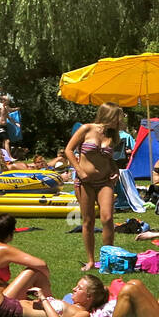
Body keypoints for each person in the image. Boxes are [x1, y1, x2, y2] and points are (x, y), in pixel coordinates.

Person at [64, 103, 125, 271]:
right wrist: (79, 171)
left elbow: (108, 159)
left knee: (107, 218)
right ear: (108, 115)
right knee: (88, 220)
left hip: (105, 180)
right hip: (85, 182)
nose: (120, 121)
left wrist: (116, 170)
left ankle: (108, 259)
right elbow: (68, 150)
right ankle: (91, 260)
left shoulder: (113, 136)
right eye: (118, 117)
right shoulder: (86, 129)